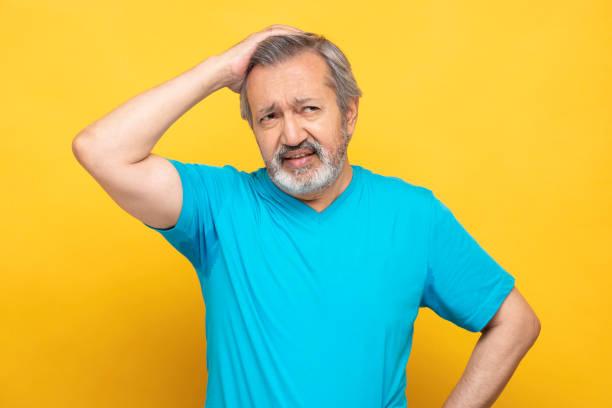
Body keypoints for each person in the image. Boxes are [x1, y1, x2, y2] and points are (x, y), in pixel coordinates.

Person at [72, 24, 541, 408]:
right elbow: (99, 149)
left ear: (350, 114)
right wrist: (221, 68)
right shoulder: (219, 206)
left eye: (308, 109)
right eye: (269, 117)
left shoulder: (413, 215)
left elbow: (515, 322)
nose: (292, 134)